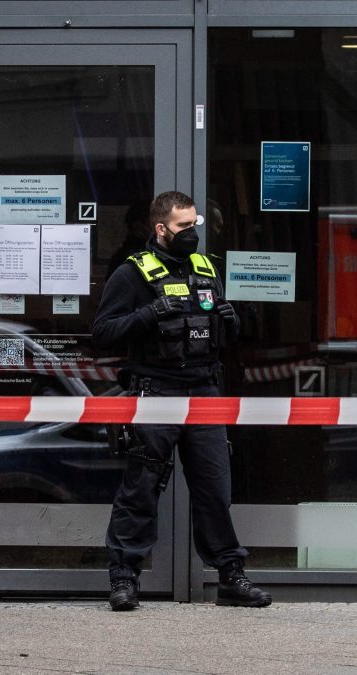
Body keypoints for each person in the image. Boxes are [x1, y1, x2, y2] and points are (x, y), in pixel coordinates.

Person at [91, 189, 270, 612]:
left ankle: (230, 576)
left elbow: (220, 336)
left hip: (205, 392)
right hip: (156, 391)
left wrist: (232, 322)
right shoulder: (132, 273)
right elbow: (103, 333)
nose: (192, 232)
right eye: (183, 226)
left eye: (195, 224)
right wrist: (150, 313)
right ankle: (124, 578)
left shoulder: (207, 268)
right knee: (141, 488)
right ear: (161, 229)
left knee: (214, 488)